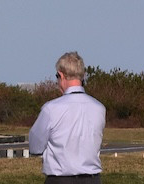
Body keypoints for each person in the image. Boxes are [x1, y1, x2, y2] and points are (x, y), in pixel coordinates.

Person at [28, 51, 105, 183]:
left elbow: (35, 146)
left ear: (61, 75)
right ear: (83, 76)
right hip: (92, 179)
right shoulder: (99, 108)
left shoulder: (51, 109)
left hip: (60, 179)